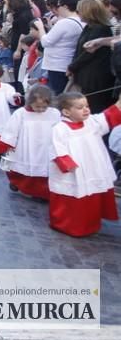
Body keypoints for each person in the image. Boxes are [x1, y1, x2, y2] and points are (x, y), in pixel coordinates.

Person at [49, 92, 121, 236]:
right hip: (74, 171)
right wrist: (67, 163)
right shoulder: (60, 128)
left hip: (93, 168)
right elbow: (57, 148)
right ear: (66, 111)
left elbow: (110, 114)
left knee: (91, 198)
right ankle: (68, 226)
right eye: (80, 107)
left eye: (87, 106)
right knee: (74, 198)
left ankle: (90, 225)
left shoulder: (92, 122)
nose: (86, 109)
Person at [0, 85, 59, 200]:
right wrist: (9, 144)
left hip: (45, 147)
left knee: (43, 170)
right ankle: (18, 183)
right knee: (21, 167)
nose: (40, 110)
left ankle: (41, 192)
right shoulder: (21, 114)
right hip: (25, 146)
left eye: (44, 107)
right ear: (30, 102)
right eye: (37, 106)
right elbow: (11, 129)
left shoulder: (54, 113)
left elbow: (60, 127)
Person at [67, 0, 114, 113]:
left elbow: (88, 53)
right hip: (86, 74)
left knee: (94, 107)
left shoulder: (100, 29)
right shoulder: (89, 27)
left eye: (79, 11)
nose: (78, 14)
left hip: (96, 77)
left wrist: (72, 67)